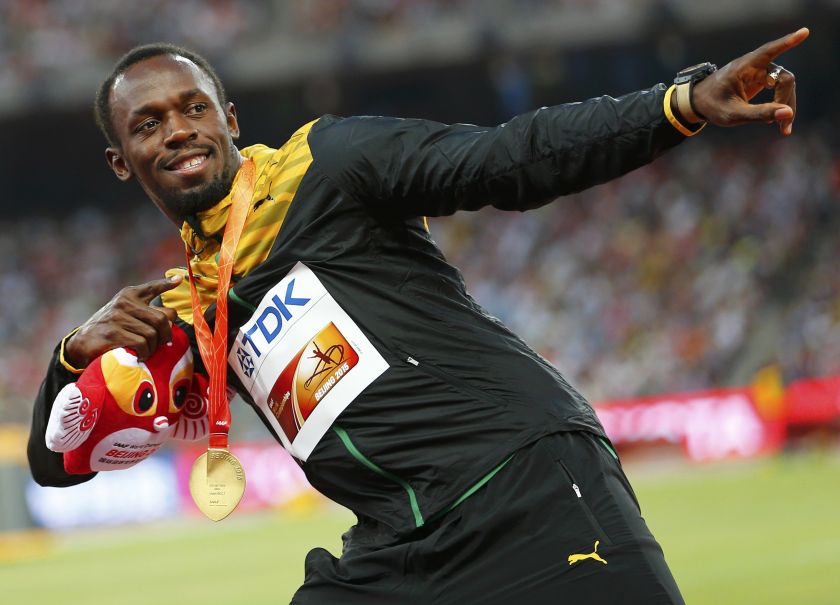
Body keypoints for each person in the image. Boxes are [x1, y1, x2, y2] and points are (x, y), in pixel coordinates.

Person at [28, 28, 808, 604]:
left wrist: (677, 105)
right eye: (149, 123)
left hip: (521, 483)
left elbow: (510, 157)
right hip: (398, 550)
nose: (179, 130)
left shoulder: (325, 165)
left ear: (229, 117)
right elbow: (57, 463)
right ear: (121, 160)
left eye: (193, 107)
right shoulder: (186, 311)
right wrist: (71, 355)